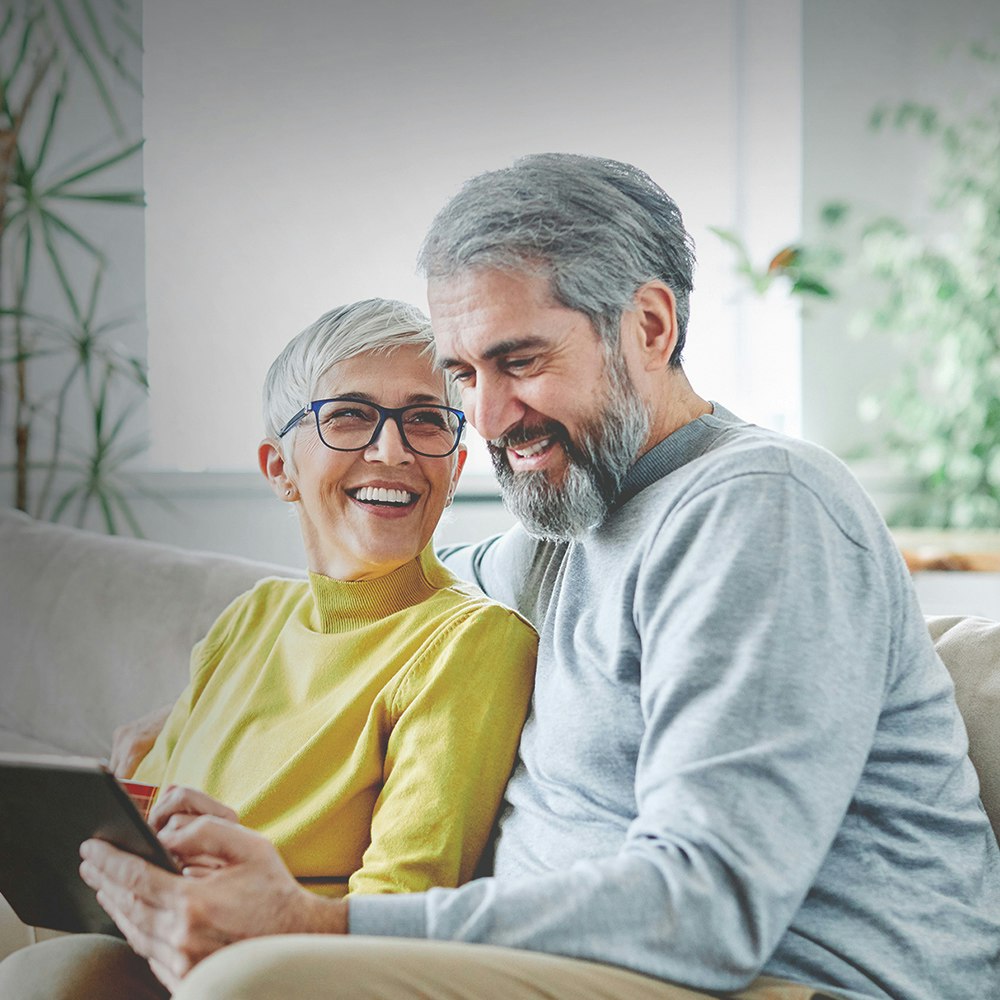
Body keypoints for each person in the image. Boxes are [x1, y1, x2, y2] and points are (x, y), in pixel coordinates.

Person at [6, 155, 998, 1000]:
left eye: (520, 360)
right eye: (465, 375)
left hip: (793, 979)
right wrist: (202, 752)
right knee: (67, 975)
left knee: (255, 982)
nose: (487, 417)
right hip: (611, 969)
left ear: (649, 326)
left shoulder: (757, 507)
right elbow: (355, 604)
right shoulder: (561, 520)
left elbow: (711, 903)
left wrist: (317, 919)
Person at [0, 298, 536, 997]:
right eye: (349, 415)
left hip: (288, 967)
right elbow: (155, 826)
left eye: (426, 420)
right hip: (151, 937)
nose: (393, 450)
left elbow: (399, 906)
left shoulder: (471, 640)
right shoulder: (254, 616)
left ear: (455, 464)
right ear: (279, 468)